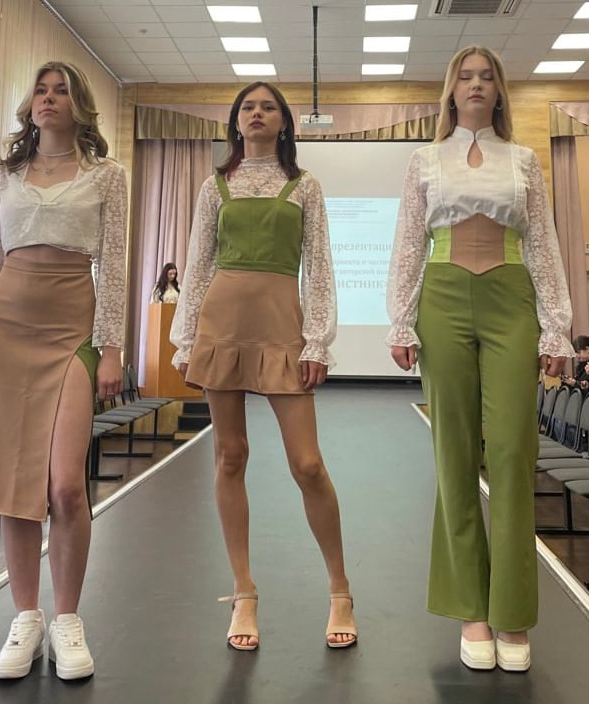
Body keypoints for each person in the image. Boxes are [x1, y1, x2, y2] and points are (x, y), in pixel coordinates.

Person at [386, 46, 573, 673]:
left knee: (515, 450)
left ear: (499, 91)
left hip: (510, 296)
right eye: (464, 76)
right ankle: (470, 608)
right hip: (441, 297)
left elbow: (541, 242)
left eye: (486, 76)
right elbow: (409, 241)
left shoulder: (523, 159)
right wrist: (400, 317)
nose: (475, 84)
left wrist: (556, 328)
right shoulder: (424, 159)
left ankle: (512, 611)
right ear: (450, 90)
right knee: (454, 452)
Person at [0, 62, 127, 681]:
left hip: (72, 329)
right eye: (41, 91)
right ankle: (26, 618)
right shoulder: (4, 175)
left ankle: (68, 619)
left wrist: (112, 347)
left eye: (62, 92)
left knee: (64, 485)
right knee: (15, 482)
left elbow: (114, 265)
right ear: (30, 105)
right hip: (6, 329)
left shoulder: (107, 175)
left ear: (80, 106)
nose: (49, 99)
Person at [169, 81, 357, 651]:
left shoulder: (306, 186)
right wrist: (185, 340)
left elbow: (319, 267)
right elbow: (197, 264)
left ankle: (340, 589)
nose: (256, 113)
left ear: (283, 123)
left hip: (281, 325)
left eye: (268, 107)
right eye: (247, 107)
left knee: (308, 464)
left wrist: (317, 342)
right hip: (221, 323)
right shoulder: (214, 186)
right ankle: (244, 592)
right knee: (230, 456)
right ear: (235, 122)